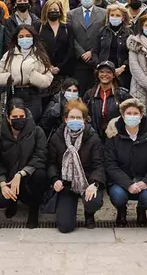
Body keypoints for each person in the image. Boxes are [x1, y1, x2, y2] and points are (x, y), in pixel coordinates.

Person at [104, 98, 147, 227]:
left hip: (143, 180)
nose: (132, 116)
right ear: (122, 115)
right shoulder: (113, 136)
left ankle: (141, 210)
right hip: (120, 182)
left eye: (135, 113)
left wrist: (146, 182)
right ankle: (121, 211)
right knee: (118, 196)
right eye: (129, 113)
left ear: (141, 115)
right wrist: (127, 184)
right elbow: (110, 165)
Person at [47, 100, 105, 233]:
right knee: (65, 227)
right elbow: (51, 163)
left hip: (87, 181)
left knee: (93, 201)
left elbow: (99, 165)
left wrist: (94, 183)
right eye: (72, 117)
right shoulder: (57, 137)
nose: (75, 120)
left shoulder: (93, 138)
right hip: (66, 183)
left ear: (84, 119)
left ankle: (89, 213)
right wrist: (55, 179)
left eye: (78, 117)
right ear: (65, 119)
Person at [0, 98, 48, 229]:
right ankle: (12, 202)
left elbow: (40, 155)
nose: (18, 119)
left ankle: (34, 209)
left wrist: (21, 174)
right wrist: (2, 182)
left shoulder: (37, 131)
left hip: (29, 174)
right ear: (9, 119)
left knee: (40, 175)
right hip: (9, 176)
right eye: (15, 117)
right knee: (0, 199)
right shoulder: (0, 135)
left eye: (21, 116)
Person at [0, 25, 54, 121]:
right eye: (21, 36)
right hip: (14, 93)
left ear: (33, 37)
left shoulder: (40, 55)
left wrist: (31, 76)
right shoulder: (9, 54)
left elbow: (48, 79)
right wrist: (11, 77)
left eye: (28, 36)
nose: (25, 39)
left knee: (32, 123)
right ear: (16, 39)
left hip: (33, 94)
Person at [68, 0, 108, 92]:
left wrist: (92, 51)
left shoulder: (104, 13)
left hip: (95, 61)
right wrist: (81, 53)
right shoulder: (71, 14)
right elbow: (70, 36)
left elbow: (104, 35)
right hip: (78, 62)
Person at [84, 61, 132, 140]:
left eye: (108, 72)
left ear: (113, 75)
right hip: (94, 136)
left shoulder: (122, 95)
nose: (104, 75)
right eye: (101, 72)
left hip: (117, 136)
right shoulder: (89, 94)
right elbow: (85, 115)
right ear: (98, 74)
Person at [39, 0, 74, 104]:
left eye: (56, 9)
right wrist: (48, 66)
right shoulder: (39, 27)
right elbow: (37, 49)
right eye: (50, 9)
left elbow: (71, 49)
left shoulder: (67, 27)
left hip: (63, 72)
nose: (53, 11)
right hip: (44, 71)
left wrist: (59, 67)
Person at [90, 4, 132, 89]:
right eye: (112, 15)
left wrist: (123, 67)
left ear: (123, 18)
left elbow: (131, 54)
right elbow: (94, 52)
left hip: (122, 73)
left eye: (117, 15)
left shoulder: (129, 33)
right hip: (103, 72)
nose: (114, 17)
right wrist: (99, 66)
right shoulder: (101, 31)